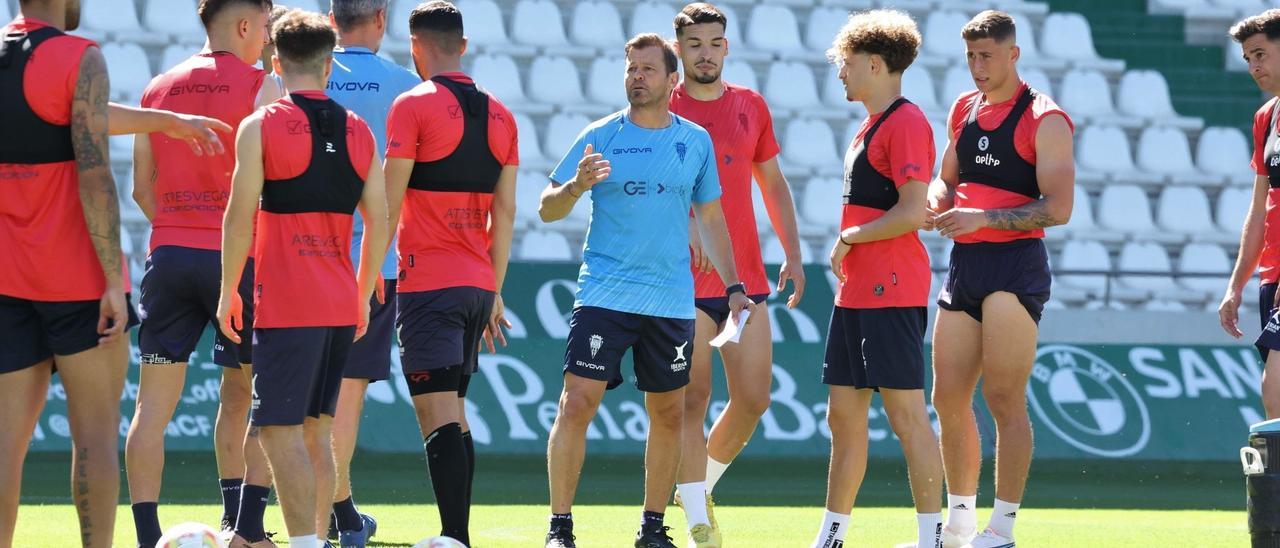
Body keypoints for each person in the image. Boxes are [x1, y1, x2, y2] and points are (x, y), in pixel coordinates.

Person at [540, 32, 755, 548]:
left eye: (647, 69)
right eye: (631, 69)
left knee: (667, 412)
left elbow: (710, 217)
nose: (637, 77)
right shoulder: (601, 134)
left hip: (670, 302)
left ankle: (653, 527)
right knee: (576, 403)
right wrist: (575, 187)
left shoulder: (694, 141)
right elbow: (548, 206)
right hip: (604, 294)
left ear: (671, 79)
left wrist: (733, 285)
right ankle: (560, 528)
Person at [217, 8, 387, 548]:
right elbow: (381, 222)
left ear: (275, 62)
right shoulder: (360, 130)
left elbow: (238, 217)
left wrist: (226, 292)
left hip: (288, 304)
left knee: (277, 431)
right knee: (317, 432)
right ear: (330, 65)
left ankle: (306, 543)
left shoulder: (259, 126)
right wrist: (360, 297)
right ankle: (313, 539)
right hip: (339, 302)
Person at [124, 1, 285, 545]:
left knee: (151, 408)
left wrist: (178, 229)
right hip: (238, 263)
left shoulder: (158, 86)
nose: (267, 37)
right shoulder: (265, 86)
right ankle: (247, 531)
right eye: (265, 26)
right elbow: (279, 187)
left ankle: (148, 536)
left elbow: (141, 189)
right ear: (245, 26)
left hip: (168, 257)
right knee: (258, 394)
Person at [928, 10, 1074, 548]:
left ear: (1013, 54)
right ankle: (961, 522)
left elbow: (1059, 209)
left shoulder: (1045, 117)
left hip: (1014, 267)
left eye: (986, 55)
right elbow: (947, 180)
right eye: (970, 56)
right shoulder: (963, 109)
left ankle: (1003, 528)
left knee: (1004, 398)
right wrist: (934, 202)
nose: (977, 66)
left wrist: (984, 219)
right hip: (965, 265)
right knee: (946, 398)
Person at [0, 1, 138, 546]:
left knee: (5, 447)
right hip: (79, 279)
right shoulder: (79, 56)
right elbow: (93, 170)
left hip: (7, 279)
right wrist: (112, 280)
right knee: (97, 440)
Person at [803, 10, 943, 548]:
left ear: (877, 63)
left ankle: (931, 538)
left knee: (907, 415)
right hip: (857, 291)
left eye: (847, 62)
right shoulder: (871, 124)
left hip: (892, 288)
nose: (840, 72)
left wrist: (849, 237)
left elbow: (911, 213)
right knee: (843, 417)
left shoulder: (906, 122)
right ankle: (832, 536)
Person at [666, 5, 805, 544]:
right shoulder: (662, 105)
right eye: (695, 43)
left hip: (745, 281)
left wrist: (792, 253)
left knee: (753, 400)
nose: (705, 52)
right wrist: (686, 225)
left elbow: (772, 183)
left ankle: (697, 487)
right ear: (679, 49)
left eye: (714, 42)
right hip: (682, 283)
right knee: (692, 400)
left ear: (727, 47)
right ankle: (699, 517)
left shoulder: (750, 105)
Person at [382, 1, 517, 544]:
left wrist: (372, 272)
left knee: (437, 414)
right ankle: (455, 535)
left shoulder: (412, 105)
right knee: (455, 412)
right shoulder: (503, 115)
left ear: (416, 48)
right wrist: (495, 289)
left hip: (428, 284)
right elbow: (504, 213)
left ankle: (454, 538)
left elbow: (389, 204)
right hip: (477, 284)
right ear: (462, 46)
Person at [320, 0, 421, 544]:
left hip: (298, 255)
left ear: (331, 19)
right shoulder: (407, 85)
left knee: (285, 388)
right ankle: (336, 514)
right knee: (347, 392)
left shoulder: (303, 73)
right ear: (381, 18)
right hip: (374, 262)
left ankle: (254, 513)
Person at [1223, 9, 1280, 419]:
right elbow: (1258, 209)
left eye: (1260, 54)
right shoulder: (1266, 117)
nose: (1253, 66)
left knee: (1274, 392)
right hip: (1271, 276)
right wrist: (1236, 285)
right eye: (1247, 59)